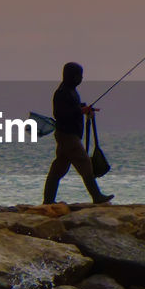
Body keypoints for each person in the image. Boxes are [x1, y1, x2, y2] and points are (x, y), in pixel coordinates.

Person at [42, 62, 114, 205]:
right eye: (78, 75)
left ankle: (48, 201)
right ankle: (97, 196)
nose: (81, 78)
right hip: (67, 136)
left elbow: (73, 108)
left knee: (58, 168)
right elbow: (60, 114)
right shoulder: (62, 92)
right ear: (71, 76)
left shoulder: (71, 91)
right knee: (85, 162)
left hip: (69, 135)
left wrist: (84, 108)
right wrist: (81, 111)